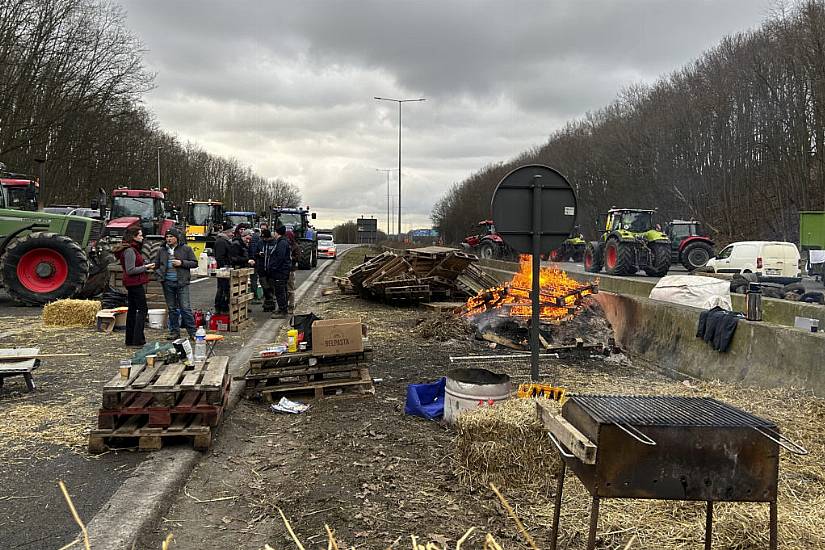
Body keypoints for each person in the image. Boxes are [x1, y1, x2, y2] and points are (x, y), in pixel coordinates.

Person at [113, 225, 155, 347]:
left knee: (132, 310)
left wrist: (144, 263)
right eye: (140, 235)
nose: (142, 237)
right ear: (134, 237)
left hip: (133, 283)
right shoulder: (130, 250)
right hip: (134, 283)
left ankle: (130, 339)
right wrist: (145, 267)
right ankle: (138, 339)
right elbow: (130, 270)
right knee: (142, 310)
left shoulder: (133, 249)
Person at [155, 228, 198, 340]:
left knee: (185, 308)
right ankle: (174, 332)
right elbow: (157, 264)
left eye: (171, 237)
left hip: (182, 282)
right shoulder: (162, 250)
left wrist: (182, 263)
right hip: (167, 282)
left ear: (176, 238)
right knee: (172, 308)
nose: (168, 239)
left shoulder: (186, 249)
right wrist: (159, 274)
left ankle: (193, 332)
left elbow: (194, 263)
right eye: (167, 237)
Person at [266, 225, 292, 316]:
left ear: (277, 233)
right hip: (281, 271)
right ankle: (282, 308)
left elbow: (280, 258)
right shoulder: (280, 242)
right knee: (281, 290)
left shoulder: (282, 243)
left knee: (280, 291)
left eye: (274, 232)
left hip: (280, 271)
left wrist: (274, 267)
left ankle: (283, 310)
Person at [256, 229, 278, 312]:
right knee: (265, 287)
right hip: (262, 268)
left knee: (271, 287)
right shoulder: (260, 243)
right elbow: (256, 252)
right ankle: (268, 302)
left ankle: (270, 304)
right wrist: (258, 254)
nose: (264, 239)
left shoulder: (275, 243)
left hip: (272, 269)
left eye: (265, 238)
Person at [213, 224, 232, 314]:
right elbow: (220, 257)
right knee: (222, 288)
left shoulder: (224, 241)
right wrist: (224, 268)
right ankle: (220, 307)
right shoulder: (221, 242)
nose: (232, 234)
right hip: (223, 270)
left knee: (224, 288)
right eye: (231, 232)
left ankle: (223, 306)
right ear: (227, 232)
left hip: (225, 269)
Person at [284, 229, 300, 314]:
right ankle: (284, 305)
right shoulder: (284, 245)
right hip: (284, 270)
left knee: (290, 289)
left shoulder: (295, 246)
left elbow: (297, 258)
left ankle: (291, 306)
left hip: (291, 270)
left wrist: (290, 258)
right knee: (284, 289)